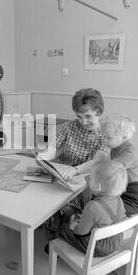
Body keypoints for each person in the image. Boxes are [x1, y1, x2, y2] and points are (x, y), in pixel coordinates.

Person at [37, 88, 109, 236]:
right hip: (61, 169)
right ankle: (54, 217)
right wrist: (44, 156)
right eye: (79, 116)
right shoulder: (70, 125)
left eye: (88, 116)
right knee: (41, 191)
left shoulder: (106, 132)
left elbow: (97, 161)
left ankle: (63, 224)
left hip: (85, 175)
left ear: (99, 112)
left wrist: (75, 170)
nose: (83, 122)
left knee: (65, 204)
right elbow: (53, 146)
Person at [45, 160, 127, 256]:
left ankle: (55, 246)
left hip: (97, 247)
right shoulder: (118, 200)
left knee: (64, 228)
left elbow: (80, 232)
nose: (86, 178)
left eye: (90, 178)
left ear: (99, 186)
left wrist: (74, 227)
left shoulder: (92, 206)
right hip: (115, 241)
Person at [102, 113, 138, 216]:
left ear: (124, 137)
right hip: (121, 190)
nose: (104, 140)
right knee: (98, 201)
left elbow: (111, 168)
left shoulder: (129, 151)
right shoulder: (115, 148)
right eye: (103, 136)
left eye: (108, 138)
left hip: (134, 197)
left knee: (103, 208)